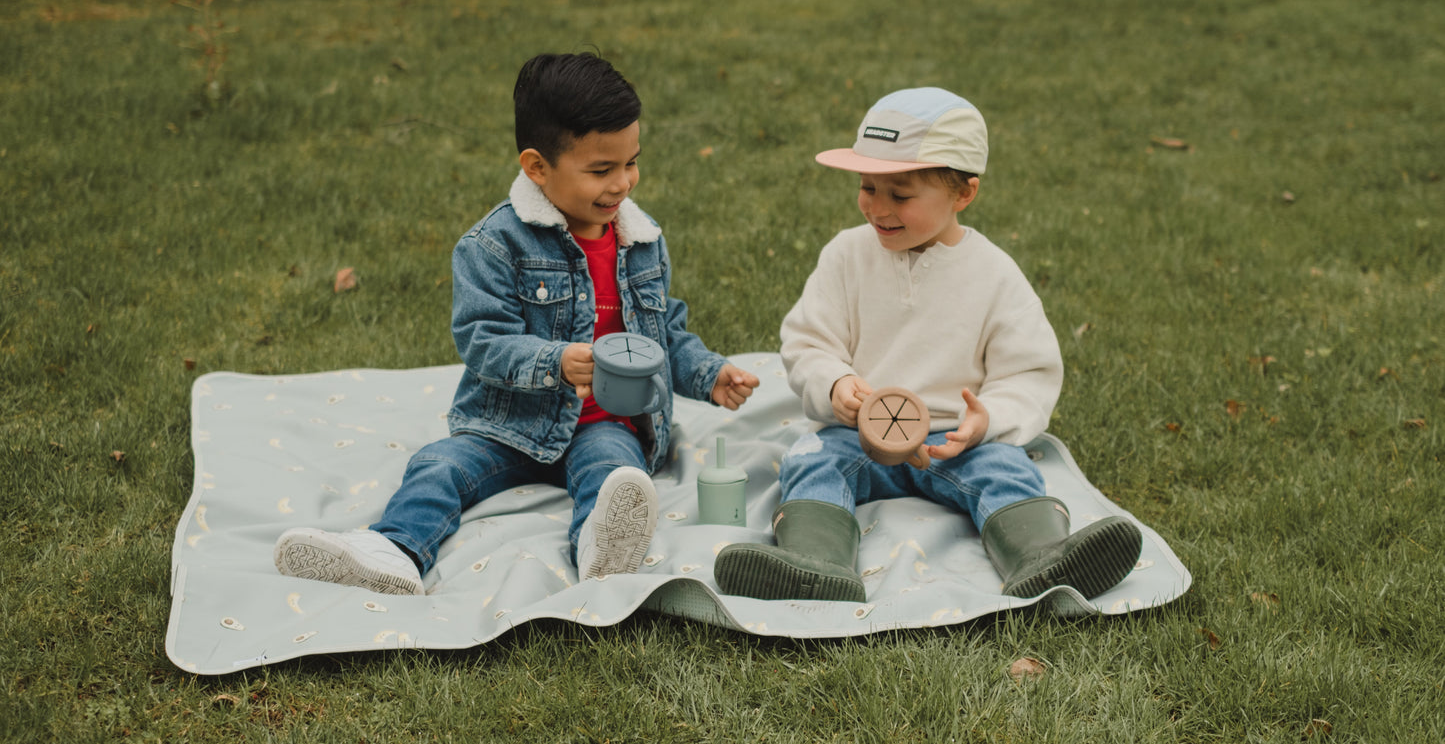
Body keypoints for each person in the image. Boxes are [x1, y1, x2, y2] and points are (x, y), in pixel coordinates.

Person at [275, 53, 759, 595]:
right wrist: (554, 362)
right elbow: (484, 341)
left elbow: (664, 333)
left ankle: (601, 548)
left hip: (608, 422)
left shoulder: (642, 241)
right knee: (438, 465)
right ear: (537, 167)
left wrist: (709, 375)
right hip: (509, 426)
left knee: (615, 473)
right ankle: (394, 550)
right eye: (601, 170)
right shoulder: (493, 245)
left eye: (632, 163)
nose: (623, 183)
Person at [714, 87, 1141, 603]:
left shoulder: (994, 276)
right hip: (861, 434)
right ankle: (815, 563)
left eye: (901, 195)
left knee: (1008, 470)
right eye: (868, 187)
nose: (878, 208)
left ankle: (1042, 556)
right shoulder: (846, 256)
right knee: (810, 459)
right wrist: (835, 383)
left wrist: (988, 420)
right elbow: (808, 341)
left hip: (954, 442)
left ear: (963, 194)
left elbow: (1028, 373)